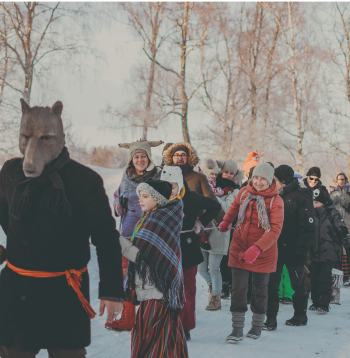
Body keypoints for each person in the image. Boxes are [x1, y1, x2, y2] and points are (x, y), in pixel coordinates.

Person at [0, 99, 124, 357]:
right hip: (17, 293)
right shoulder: (10, 171)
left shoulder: (85, 181)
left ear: (59, 136)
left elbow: (106, 238)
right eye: (26, 136)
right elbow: (6, 216)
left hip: (64, 294)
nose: (34, 146)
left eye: (45, 138)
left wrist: (111, 291)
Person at [119, 178, 188, 358]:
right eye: (139, 196)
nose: (140, 200)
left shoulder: (156, 220)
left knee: (152, 342)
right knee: (163, 340)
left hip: (157, 292)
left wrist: (116, 241)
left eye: (145, 196)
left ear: (157, 198)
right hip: (155, 291)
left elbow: (141, 257)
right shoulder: (157, 216)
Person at [219, 163, 284, 342]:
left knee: (259, 289)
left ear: (270, 180)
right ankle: (237, 328)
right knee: (238, 288)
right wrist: (226, 221)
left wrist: (256, 248)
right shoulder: (244, 192)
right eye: (256, 177)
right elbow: (233, 207)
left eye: (263, 178)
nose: (258, 182)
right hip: (239, 246)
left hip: (264, 251)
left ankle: (256, 326)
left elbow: (275, 230)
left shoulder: (275, 200)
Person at [107, 140, 163, 331]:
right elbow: (116, 195)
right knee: (127, 276)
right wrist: (117, 205)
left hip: (151, 233)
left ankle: (150, 320)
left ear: (149, 158)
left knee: (150, 279)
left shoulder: (159, 176)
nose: (140, 160)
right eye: (136, 156)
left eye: (143, 156)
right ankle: (127, 318)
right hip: (128, 232)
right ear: (132, 158)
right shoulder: (126, 177)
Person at [161, 165, 221, 340]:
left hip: (187, 248)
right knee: (166, 290)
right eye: (166, 185)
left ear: (179, 184)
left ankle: (185, 326)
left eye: (172, 185)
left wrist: (201, 222)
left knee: (188, 290)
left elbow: (214, 207)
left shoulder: (192, 198)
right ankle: (167, 323)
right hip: (165, 251)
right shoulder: (158, 199)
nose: (169, 189)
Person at [263, 165, 314, 331]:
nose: (272, 182)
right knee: (272, 284)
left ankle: (300, 315)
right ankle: (271, 319)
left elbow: (307, 228)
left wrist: (301, 252)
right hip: (275, 248)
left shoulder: (301, 197)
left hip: (294, 249)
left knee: (297, 283)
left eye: (275, 180)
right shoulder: (272, 196)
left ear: (283, 182)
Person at [309, 188, 350, 313]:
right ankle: (315, 302)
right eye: (313, 203)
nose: (314, 205)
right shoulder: (311, 214)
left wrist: (347, 246)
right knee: (314, 277)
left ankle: (324, 304)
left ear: (323, 202)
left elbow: (342, 230)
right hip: (315, 251)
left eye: (316, 203)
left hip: (329, 251)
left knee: (324, 278)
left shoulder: (333, 213)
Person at [329, 171, 350, 286]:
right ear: (336, 180)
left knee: (348, 248)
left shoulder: (349, 191)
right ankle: (339, 274)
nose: (342, 181)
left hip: (348, 223)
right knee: (339, 248)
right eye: (339, 179)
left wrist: (347, 204)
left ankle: (347, 276)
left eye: (343, 179)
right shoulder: (332, 191)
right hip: (336, 223)